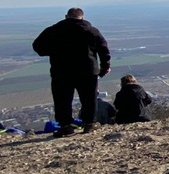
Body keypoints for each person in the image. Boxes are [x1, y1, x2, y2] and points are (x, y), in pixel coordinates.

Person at [32, 7, 111, 137]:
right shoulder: (91, 30)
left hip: (61, 71)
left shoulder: (54, 30)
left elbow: (37, 46)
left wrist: (52, 52)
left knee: (62, 99)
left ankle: (65, 126)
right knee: (89, 99)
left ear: (66, 16)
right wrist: (105, 66)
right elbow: (103, 49)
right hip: (87, 71)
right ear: (82, 17)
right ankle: (89, 125)